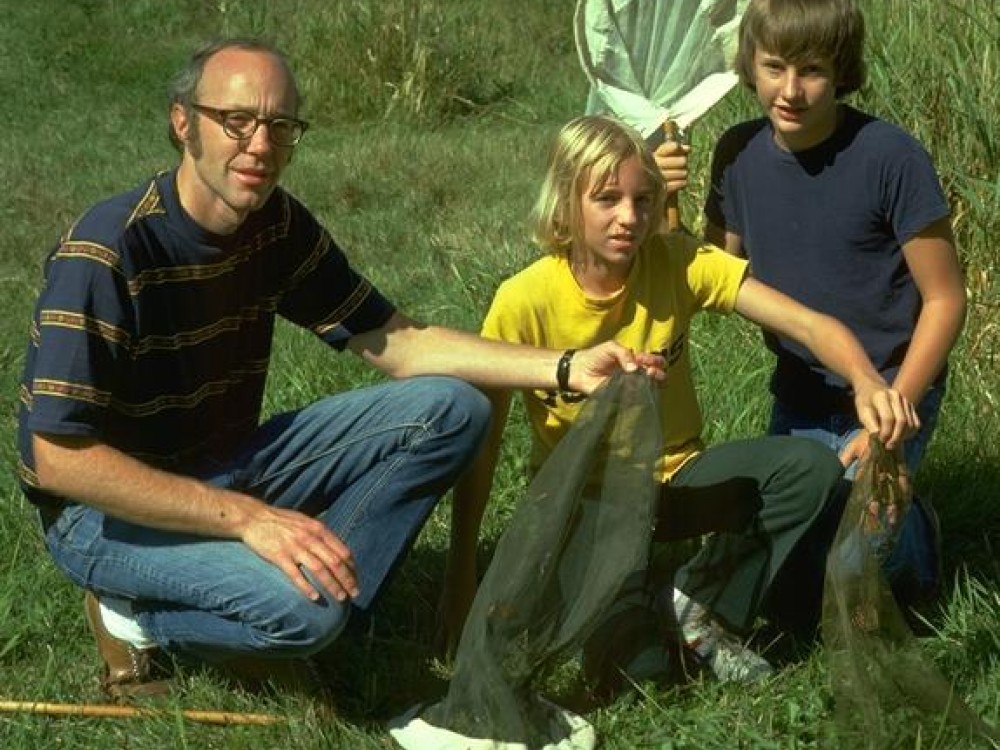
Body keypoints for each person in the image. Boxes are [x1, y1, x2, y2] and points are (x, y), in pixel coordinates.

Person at [15, 38, 664, 699]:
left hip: (226, 462)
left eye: (280, 125)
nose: (260, 145)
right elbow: (58, 461)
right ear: (184, 122)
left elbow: (398, 341)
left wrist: (567, 366)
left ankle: (325, 591)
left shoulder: (275, 224)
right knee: (308, 614)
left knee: (454, 408)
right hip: (102, 514)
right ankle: (134, 616)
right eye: (236, 121)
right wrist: (247, 519)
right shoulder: (107, 252)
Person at [439, 114, 919, 684]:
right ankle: (628, 604)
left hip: (680, 478)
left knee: (810, 469)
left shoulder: (677, 261)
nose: (630, 217)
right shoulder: (521, 301)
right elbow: (483, 448)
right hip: (590, 504)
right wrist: (462, 573)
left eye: (644, 199)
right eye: (607, 199)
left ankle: (698, 598)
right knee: (643, 674)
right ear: (566, 204)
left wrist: (867, 381)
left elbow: (812, 326)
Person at [702, 0, 966, 609]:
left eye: (812, 70)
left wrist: (896, 408)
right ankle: (882, 512)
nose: (790, 90)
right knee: (784, 581)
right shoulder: (737, 153)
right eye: (773, 67)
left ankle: (915, 538)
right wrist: (663, 201)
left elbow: (946, 298)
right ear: (750, 65)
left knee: (852, 578)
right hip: (800, 389)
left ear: (842, 70)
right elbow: (712, 275)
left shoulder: (889, 157)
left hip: (895, 386)